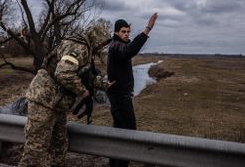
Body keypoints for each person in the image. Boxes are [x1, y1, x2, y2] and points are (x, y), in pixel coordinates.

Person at [18, 23, 113, 167]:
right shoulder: (79, 47)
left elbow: (85, 76)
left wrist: (105, 85)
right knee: (35, 150)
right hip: (44, 100)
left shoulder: (85, 49)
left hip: (57, 104)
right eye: (102, 43)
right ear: (96, 38)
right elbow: (63, 74)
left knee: (59, 147)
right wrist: (83, 91)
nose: (102, 47)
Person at [107, 13, 158, 167]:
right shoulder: (117, 46)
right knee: (129, 131)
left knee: (119, 130)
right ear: (116, 32)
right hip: (120, 97)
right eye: (123, 32)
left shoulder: (117, 46)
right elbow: (129, 50)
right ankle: (120, 163)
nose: (127, 34)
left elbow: (128, 50)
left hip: (119, 95)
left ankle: (114, 163)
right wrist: (147, 29)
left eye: (128, 32)